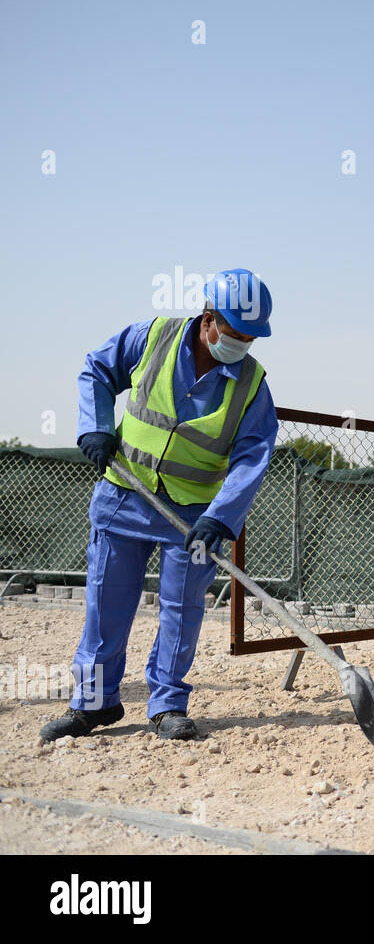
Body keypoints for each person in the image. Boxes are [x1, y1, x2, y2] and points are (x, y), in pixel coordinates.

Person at [41, 269, 279, 742]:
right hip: (123, 497)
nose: (242, 345)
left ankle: (167, 704)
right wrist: (95, 425)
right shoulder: (154, 337)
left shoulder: (251, 384)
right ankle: (93, 705)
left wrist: (221, 518)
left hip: (191, 517)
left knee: (181, 608)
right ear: (208, 319)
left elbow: (254, 455)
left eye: (250, 338)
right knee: (106, 602)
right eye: (235, 334)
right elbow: (97, 369)